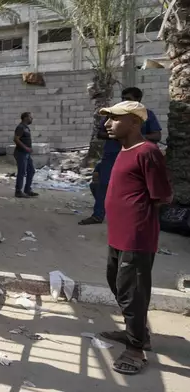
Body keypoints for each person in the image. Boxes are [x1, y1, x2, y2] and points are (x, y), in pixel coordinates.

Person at [96, 100, 172, 375]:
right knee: (117, 283)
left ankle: (136, 349)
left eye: (116, 118)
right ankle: (136, 332)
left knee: (133, 292)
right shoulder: (123, 150)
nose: (108, 124)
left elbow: (162, 195)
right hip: (118, 235)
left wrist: (138, 220)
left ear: (135, 122)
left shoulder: (148, 152)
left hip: (136, 237)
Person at [79, 87, 163, 225]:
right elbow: (101, 133)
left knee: (134, 188)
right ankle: (98, 215)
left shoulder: (146, 115)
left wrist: (134, 137)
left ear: (138, 100)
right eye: (123, 98)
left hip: (135, 157)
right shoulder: (114, 113)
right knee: (102, 184)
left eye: (128, 99)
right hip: (112, 155)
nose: (124, 101)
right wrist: (116, 135)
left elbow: (156, 135)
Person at [13, 112, 38, 198]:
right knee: (22, 172)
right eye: (30, 117)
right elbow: (16, 139)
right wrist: (26, 148)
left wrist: (28, 149)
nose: (32, 119)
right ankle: (18, 191)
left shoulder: (26, 128)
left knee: (31, 170)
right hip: (21, 153)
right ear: (25, 118)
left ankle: (27, 190)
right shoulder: (20, 127)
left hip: (26, 153)